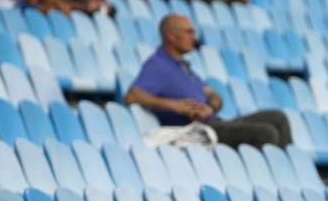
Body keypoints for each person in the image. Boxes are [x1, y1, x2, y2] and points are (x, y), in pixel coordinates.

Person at [125, 14, 292, 148]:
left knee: (278, 117)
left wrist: (209, 107)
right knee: (266, 133)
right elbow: (132, 96)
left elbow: (214, 96)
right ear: (171, 36)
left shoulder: (183, 66)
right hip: (198, 130)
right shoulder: (157, 64)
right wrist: (174, 105)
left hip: (214, 121)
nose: (194, 37)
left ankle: (287, 174)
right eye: (189, 32)